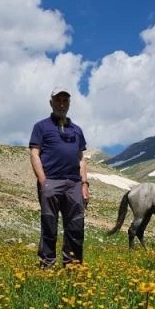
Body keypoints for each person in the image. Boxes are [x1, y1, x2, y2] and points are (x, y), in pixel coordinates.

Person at [29, 87, 90, 268]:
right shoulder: (41, 127)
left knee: (76, 226)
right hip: (51, 182)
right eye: (58, 100)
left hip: (74, 184)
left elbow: (81, 159)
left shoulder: (77, 130)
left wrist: (84, 184)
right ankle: (46, 265)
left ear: (69, 103)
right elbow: (34, 154)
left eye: (65, 101)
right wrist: (43, 182)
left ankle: (73, 266)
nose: (61, 104)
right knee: (49, 225)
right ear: (51, 103)